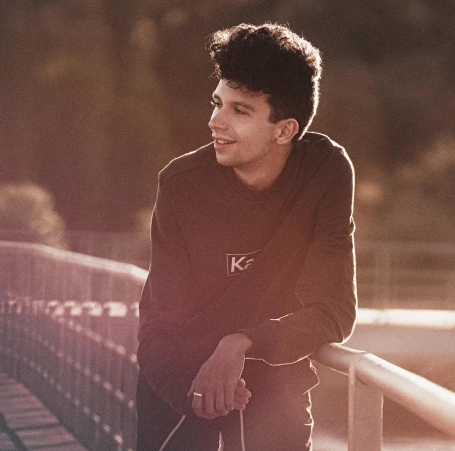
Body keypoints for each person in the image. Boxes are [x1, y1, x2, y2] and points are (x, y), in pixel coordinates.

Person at [136, 23, 357, 450]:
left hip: (274, 390)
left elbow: (335, 311)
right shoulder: (181, 184)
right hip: (182, 387)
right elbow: (156, 327)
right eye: (218, 103)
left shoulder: (325, 171)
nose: (215, 121)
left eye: (240, 111)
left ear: (285, 130)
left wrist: (241, 342)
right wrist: (197, 389)